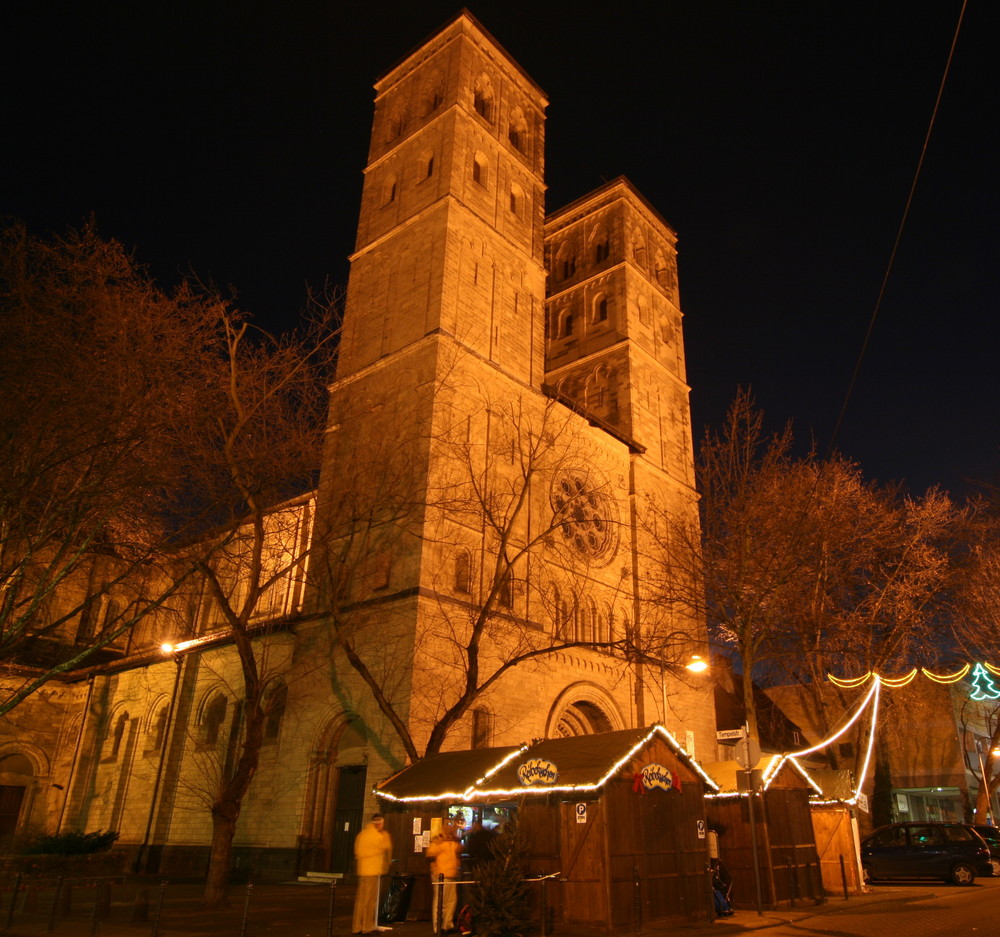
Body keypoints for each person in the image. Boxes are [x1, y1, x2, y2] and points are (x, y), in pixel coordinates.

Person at [353, 814, 393, 934]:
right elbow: (386, 847)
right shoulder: (378, 836)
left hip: (363, 870)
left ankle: (357, 926)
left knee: (360, 900)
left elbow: (357, 851)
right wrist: (385, 836)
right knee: (370, 901)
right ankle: (367, 927)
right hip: (373, 870)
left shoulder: (362, 834)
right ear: (379, 823)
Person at [426, 827, 462, 933]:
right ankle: (438, 926)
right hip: (441, 875)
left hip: (451, 874)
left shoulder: (452, 843)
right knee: (440, 902)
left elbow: (460, 849)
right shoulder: (438, 842)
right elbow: (430, 854)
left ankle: (447, 925)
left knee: (451, 901)